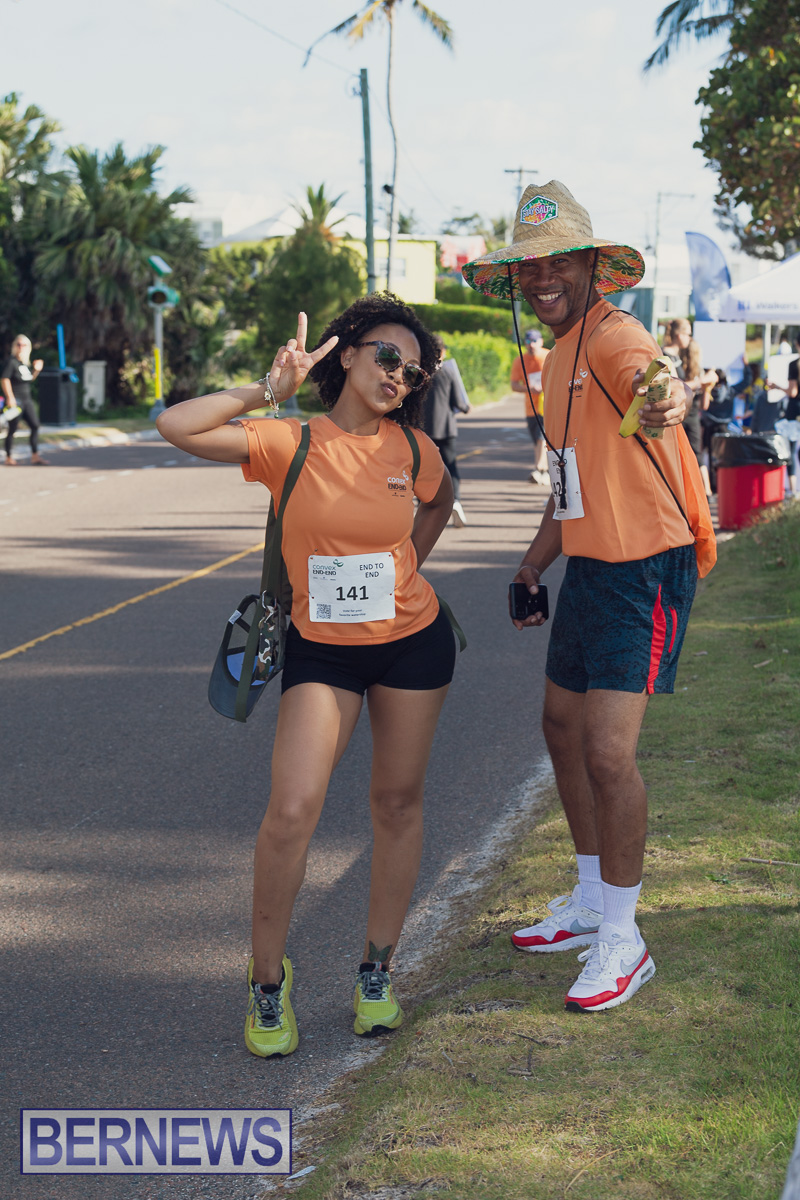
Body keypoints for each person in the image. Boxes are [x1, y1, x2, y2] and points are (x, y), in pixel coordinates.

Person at [156, 294, 457, 1057]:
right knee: (291, 810)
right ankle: (267, 982)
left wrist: (409, 565)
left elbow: (442, 497)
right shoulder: (289, 441)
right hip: (325, 651)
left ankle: (376, 974)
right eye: (385, 356)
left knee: (397, 803)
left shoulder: (414, 449)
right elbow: (176, 426)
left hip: (413, 644)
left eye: (412, 370)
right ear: (346, 354)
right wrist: (269, 387)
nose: (398, 375)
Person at [463, 180, 710, 1013]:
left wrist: (668, 396)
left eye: (557, 262)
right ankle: (591, 899)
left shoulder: (613, 336)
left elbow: (655, 383)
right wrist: (532, 566)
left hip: (646, 566)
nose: (542, 278)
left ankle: (624, 940)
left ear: (591, 266)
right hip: (591, 564)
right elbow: (570, 483)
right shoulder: (557, 353)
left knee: (608, 753)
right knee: (560, 729)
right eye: (529, 267)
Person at [421, 334, 471, 526]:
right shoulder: (449, 372)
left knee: (424, 470)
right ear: (442, 352)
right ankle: (455, 500)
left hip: (424, 430)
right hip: (447, 429)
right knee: (450, 466)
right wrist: (466, 408)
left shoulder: (419, 373)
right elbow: (458, 402)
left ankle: (424, 504)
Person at [511, 328, 550, 484]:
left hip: (548, 406)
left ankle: (538, 468)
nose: (531, 344)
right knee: (537, 441)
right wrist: (529, 389)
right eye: (528, 341)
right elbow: (514, 385)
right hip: (530, 408)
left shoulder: (549, 356)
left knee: (542, 437)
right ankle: (544, 471)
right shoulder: (519, 360)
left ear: (541, 342)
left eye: (534, 341)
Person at [1, 335, 47, 465]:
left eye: (24, 345)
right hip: (16, 401)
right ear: (14, 346)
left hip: (27, 401)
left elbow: (29, 379)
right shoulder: (11, 362)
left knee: (35, 425)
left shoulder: (24, 364)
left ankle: (35, 456)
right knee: (13, 428)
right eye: (18, 344)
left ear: (29, 347)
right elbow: (4, 379)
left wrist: (36, 370)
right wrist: (10, 397)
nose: (21, 347)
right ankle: (9, 457)